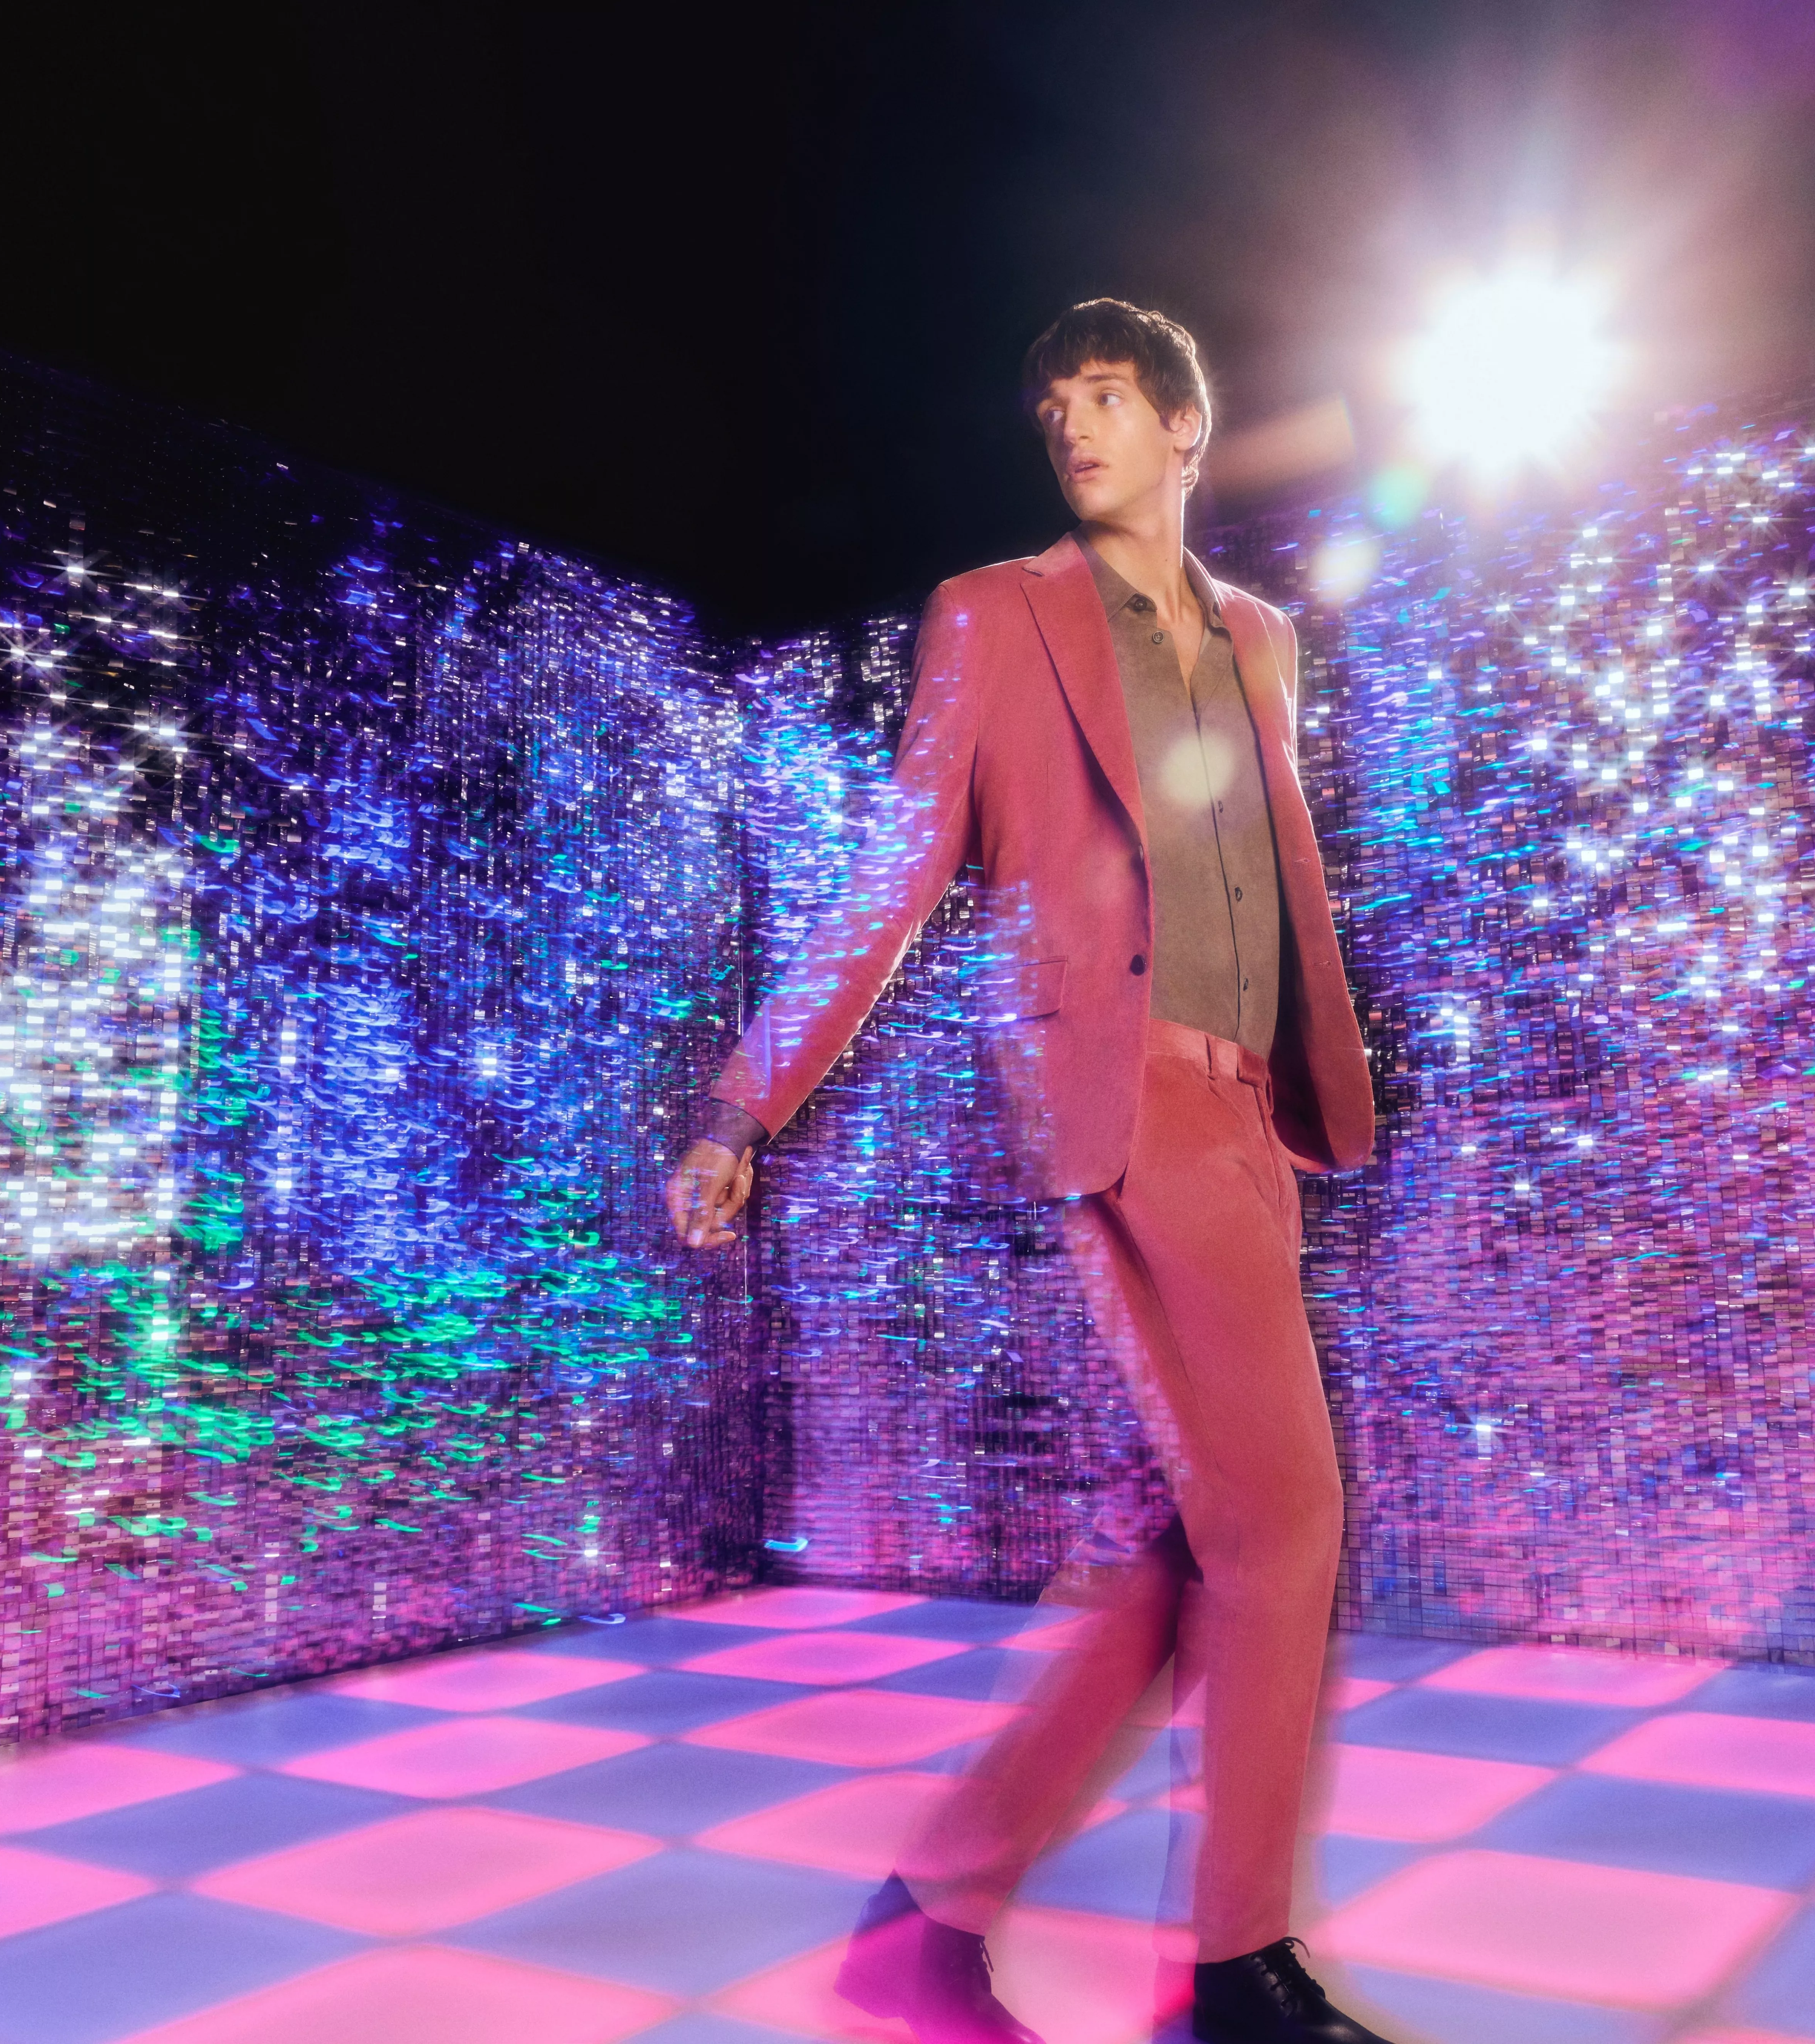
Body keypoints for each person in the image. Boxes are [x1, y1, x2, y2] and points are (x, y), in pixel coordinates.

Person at [665, 298, 1387, 2044]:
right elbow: (899, 869)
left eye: (1111, 398)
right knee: (1284, 1526)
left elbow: (1265, 870)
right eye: (1054, 401)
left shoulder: (1261, 640)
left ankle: (924, 1917)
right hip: (1122, 1102)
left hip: (1248, 1112)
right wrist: (743, 1105)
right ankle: (1232, 1975)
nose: (1073, 424)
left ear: (1185, 430)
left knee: (1187, 1544)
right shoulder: (996, 616)